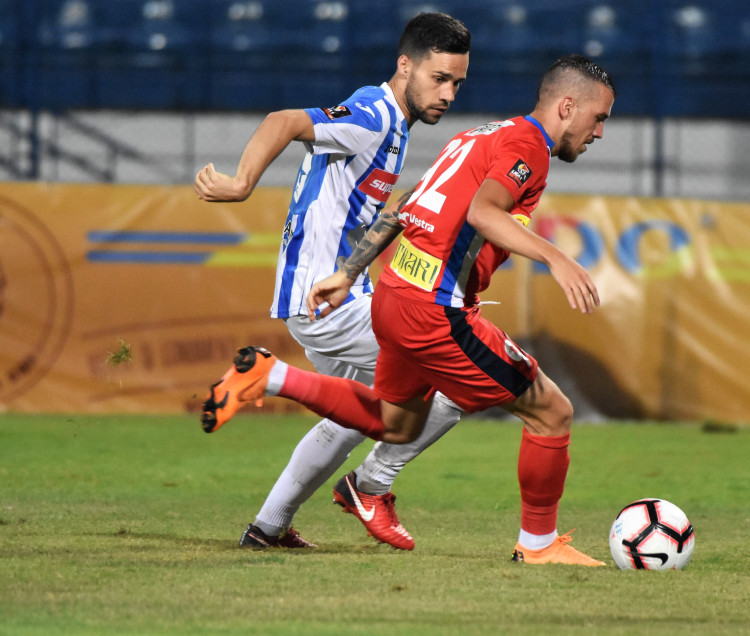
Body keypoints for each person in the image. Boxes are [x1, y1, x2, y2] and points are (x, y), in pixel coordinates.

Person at [203, 54, 616, 566]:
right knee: (552, 412)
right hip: (435, 309)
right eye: (598, 119)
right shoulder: (528, 146)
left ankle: (273, 377)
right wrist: (557, 258)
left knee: (394, 422)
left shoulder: (481, 135)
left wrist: (351, 272)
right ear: (567, 105)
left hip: (396, 294)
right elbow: (483, 212)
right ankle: (538, 546)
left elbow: (406, 203)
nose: (600, 132)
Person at [193, 12, 471, 551]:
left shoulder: (392, 125)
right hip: (327, 301)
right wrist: (242, 182)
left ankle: (267, 528)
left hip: (329, 296)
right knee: (454, 373)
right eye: (439, 78)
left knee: (353, 416)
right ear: (405, 65)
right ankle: (370, 484)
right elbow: (284, 120)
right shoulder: (374, 112)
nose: (449, 93)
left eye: (458, 82)